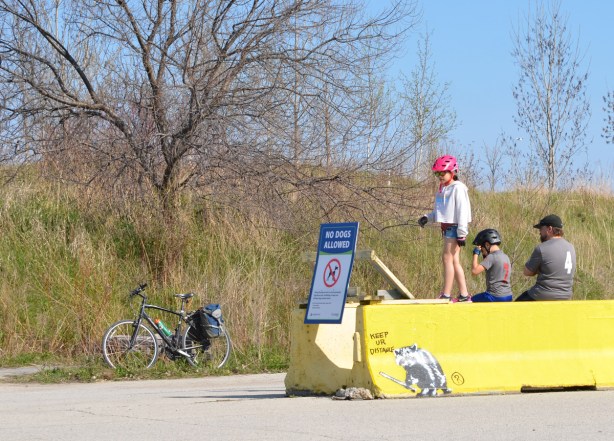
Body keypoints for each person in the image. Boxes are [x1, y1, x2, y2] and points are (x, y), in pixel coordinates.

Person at [418, 155, 472, 302]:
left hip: (455, 228)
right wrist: (427, 218)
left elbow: (462, 211)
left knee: (446, 258)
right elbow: (441, 212)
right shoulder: (443, 189)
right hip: (448, 227)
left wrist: (462, 233)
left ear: (452, 172)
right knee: (454, 261)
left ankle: (446, 294)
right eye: (437, 173)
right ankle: (464, 295)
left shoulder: (458, 188)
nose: (440, 176)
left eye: (443, 173)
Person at [515, 214, 576, 301]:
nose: (539, 232)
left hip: (544, 294)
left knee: (515, 307)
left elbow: (527, 272)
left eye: (541, 229)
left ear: (549, 229)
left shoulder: (542, 248)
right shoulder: (571, 247)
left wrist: (539, 268)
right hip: (566, 295)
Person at [470, 229, 513, 302]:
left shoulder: (492, 257)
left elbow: (474, 271)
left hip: (494, 296)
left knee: (469, 301)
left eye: (482, 250)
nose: (483, 254)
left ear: (487, 245)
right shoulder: (506, 257)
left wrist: (475, 254)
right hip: (508, 296)